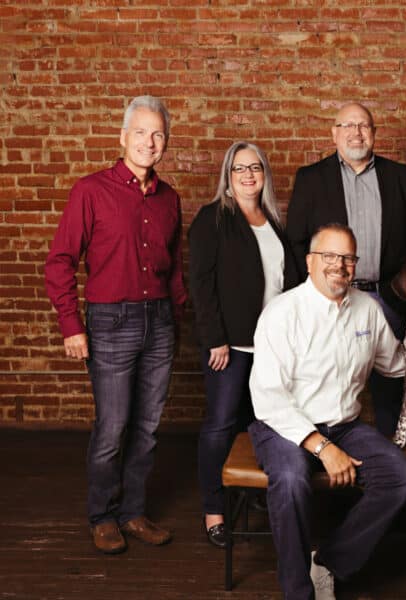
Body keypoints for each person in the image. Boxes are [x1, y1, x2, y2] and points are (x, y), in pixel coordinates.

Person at [44, 95, 186, 554]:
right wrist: (71, 325)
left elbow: (176, 268)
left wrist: (178, 318)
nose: (150, 141)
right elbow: (60, 261)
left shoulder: (170, 199)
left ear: (166, 141)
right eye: (141, 132)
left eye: (158, 133)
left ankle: (134, 511)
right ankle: (103, 515)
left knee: (147, 428)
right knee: (113, 426)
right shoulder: (91, 191)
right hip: (110, 321)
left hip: (160, 320)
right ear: (123, 137)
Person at [247, 223, 406, 600]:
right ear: (310, 262)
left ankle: (329, 561)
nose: (339, 265)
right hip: (283, 426)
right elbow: (269, 398)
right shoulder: (282, 312)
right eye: (329, 256)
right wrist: (323, 448)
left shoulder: (367, 310)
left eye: (348, 258)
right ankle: (298, 592)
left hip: (344, 425)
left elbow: (399, 365)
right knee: (291, 481)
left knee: (401, 477)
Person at [286, 102, 406, 436]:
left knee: (391, 386)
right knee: (324, 381)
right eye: (347, 125)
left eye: (363, 125)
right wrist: (309, 296)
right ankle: (326, 458)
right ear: (334, 133)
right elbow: (296, 241)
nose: (356, 133)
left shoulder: (399, 177)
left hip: (388, 298)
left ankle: (392, 461)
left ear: (375, 133)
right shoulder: (311, 178)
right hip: (332, 301)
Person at [188, 141, 300, 547]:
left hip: (270, 349)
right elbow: (200, 285)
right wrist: (215, 339)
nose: (248, 175)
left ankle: (253, 495)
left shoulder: (272, 221)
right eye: (239, 169)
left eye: (255, 167)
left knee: (259, 425)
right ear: (228, 177)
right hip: (230, 347)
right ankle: (214, 508)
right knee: (219, 425)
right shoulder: (213, 218)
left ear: (264, 174)